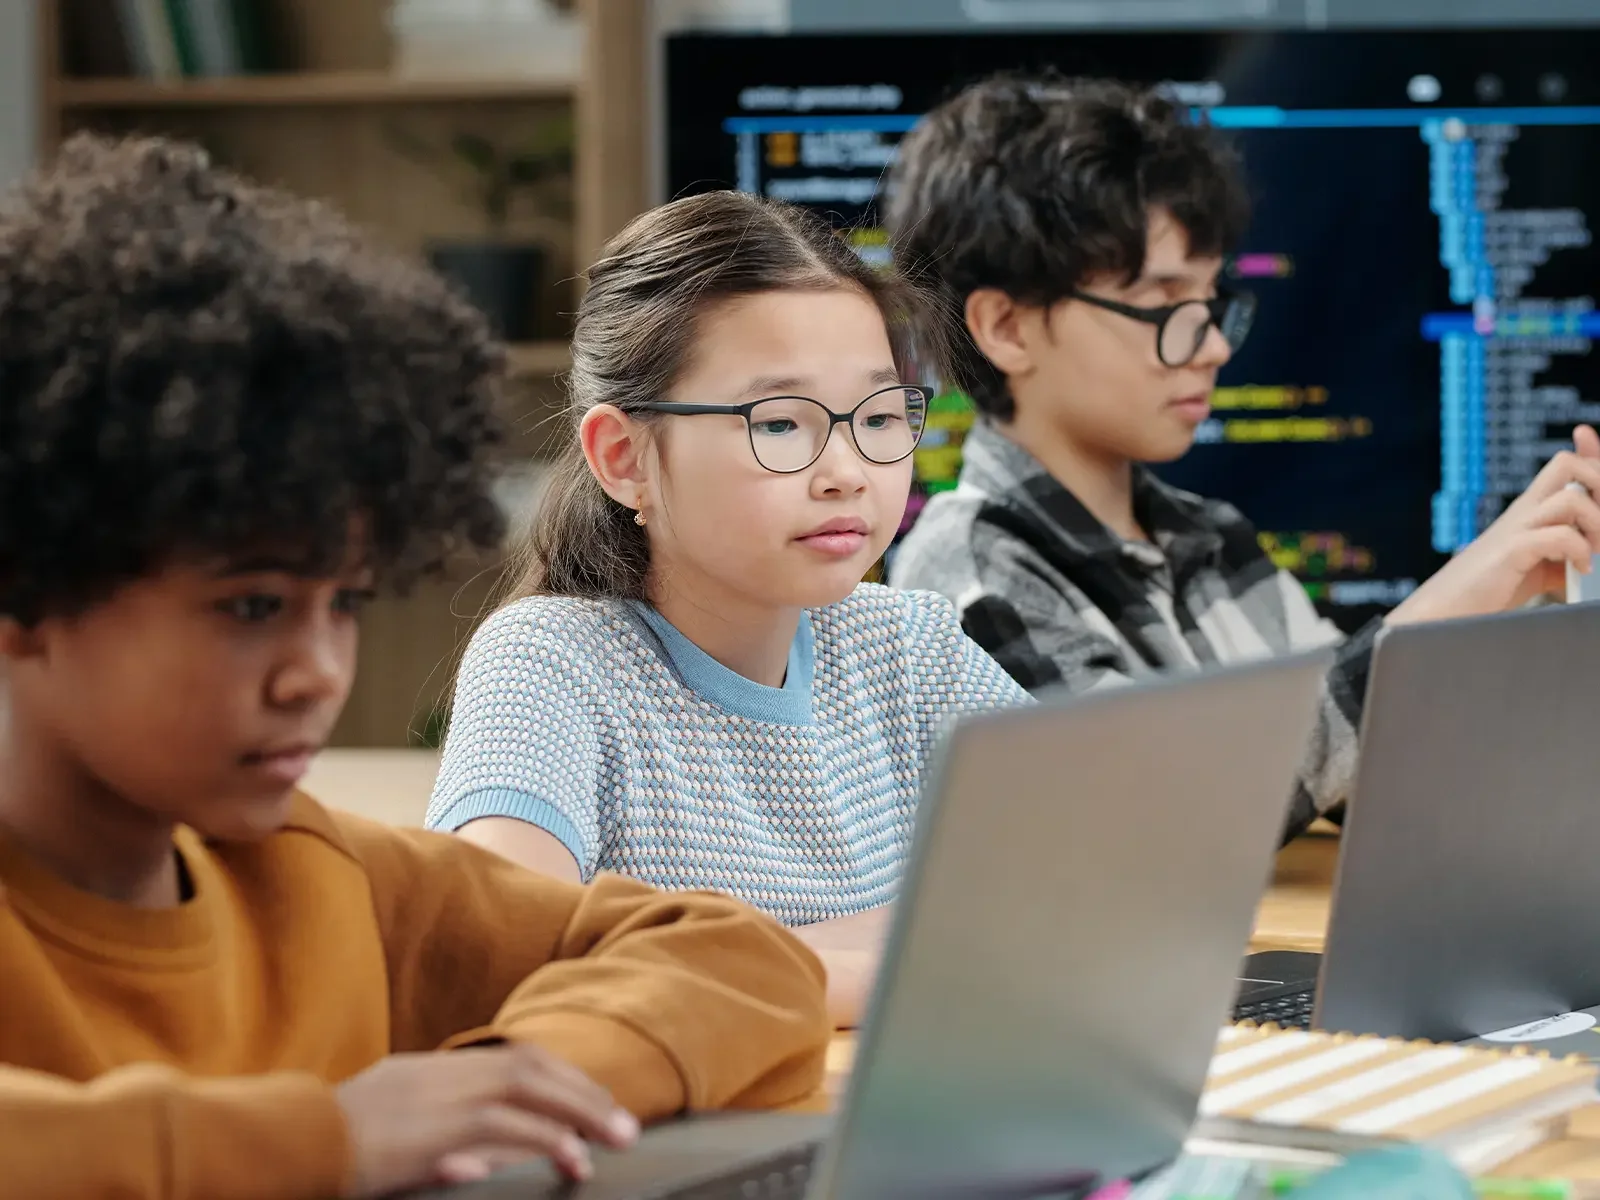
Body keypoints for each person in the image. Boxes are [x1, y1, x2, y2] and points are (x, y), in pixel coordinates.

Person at [0, 134, 830, 1199]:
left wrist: (510, 1088)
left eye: (340, 604)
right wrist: (328, 1139)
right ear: (26, 593)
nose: (315, 672)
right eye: (251, 606)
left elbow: (736, 962)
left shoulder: (317, 876)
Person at [886, 74, 1600, 837]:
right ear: (1007, 327)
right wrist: (1450, 602)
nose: (1214, 345)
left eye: (1210, 303)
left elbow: (1366, 765)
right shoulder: (965, 575)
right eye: (1164, 307)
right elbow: (1171, 827)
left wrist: (1534, 609)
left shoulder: (1209, 535)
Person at [425, 190, 1031, 1029]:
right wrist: (886, 962)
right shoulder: (550, 662)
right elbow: (501, 959)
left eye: (881, 416)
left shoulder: (909, 644)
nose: (847, 470)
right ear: (624, 457)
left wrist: (727, 964)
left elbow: (1089, 881)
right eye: (780, 425)